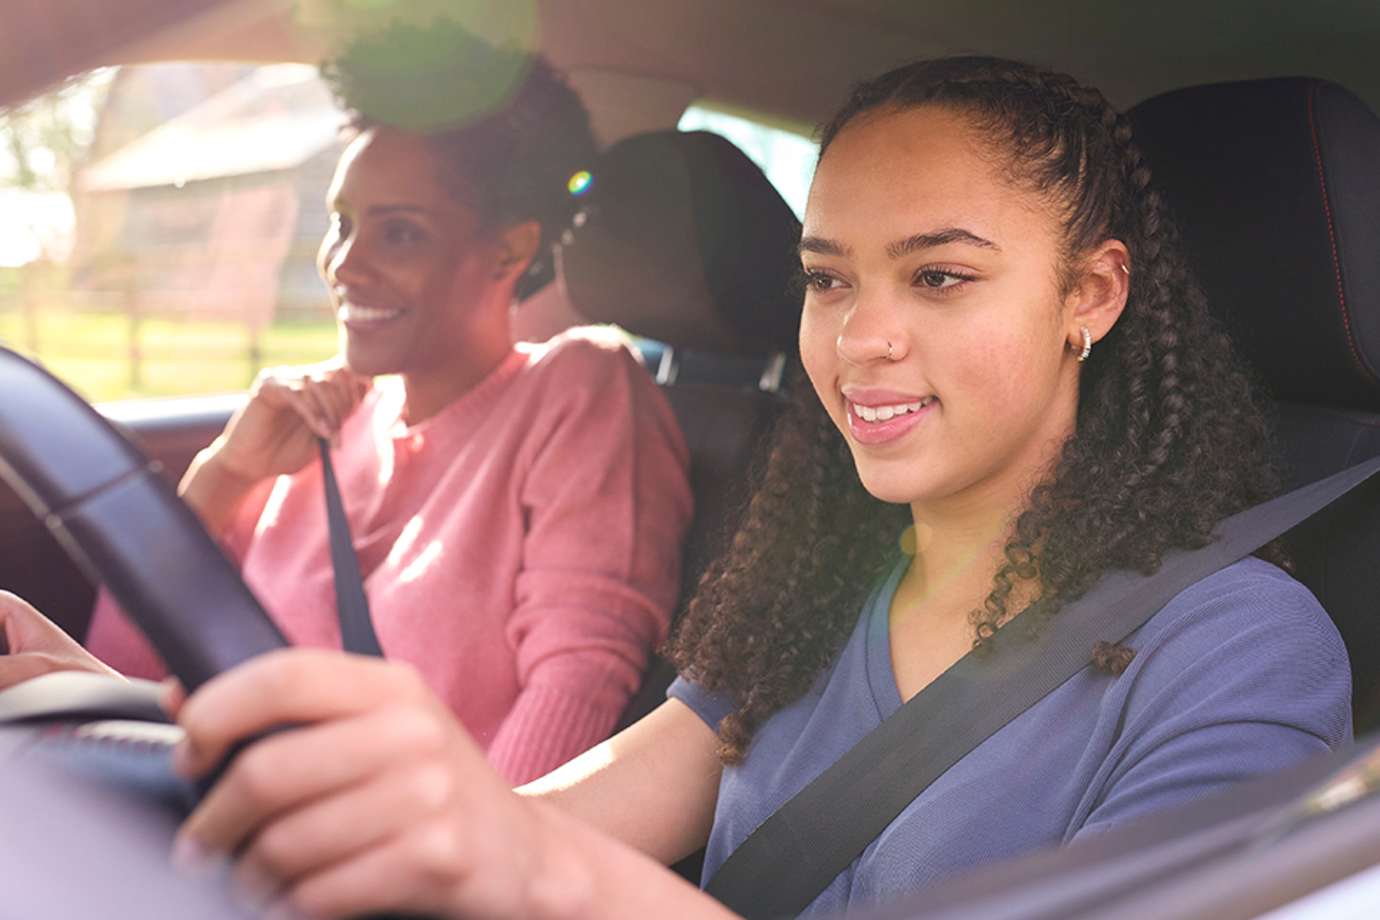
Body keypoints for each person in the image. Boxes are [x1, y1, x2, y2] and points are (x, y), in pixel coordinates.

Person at [0, 55, 1351, 918]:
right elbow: (528, 827)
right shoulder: (821, 581)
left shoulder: (1237, 646)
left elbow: (533, 859)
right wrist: (169, 745)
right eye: (830, 278)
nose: (858, 336)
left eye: (939, 276)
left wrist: (533, 868)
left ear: (1091, 296)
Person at [10, 25, 694, 786]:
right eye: (342, 223)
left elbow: (579, 679)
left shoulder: (580, 388)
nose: (344, 264)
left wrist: (465, 884)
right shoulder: (314, 421)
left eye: (399, 234)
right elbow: (148, 674)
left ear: (508, 250)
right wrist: (224, 474)